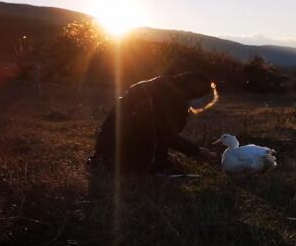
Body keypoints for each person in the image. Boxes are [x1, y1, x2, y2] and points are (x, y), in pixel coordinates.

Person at [88, 72, 217, 175]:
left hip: (107, 150)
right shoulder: (168, 100)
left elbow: (161, 133)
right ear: (196, 94)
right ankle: (156, 167)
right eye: (206, 102)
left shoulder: (161, 87)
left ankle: (108, 161)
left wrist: (194, 150)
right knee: (167, 167)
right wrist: (196, 151)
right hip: (120, 156)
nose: (204, 107)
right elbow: (163, 134)